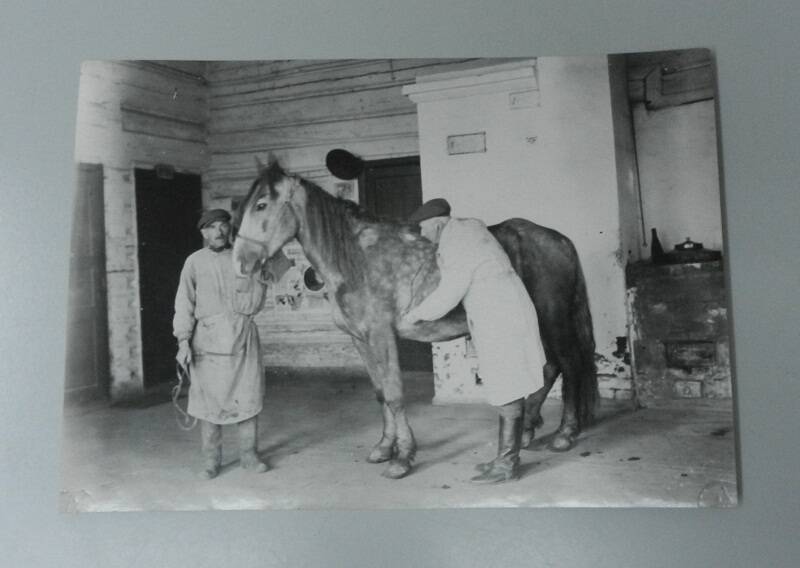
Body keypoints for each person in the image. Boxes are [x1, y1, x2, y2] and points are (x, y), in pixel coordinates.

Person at [402, 199, 545, 483]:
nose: (423, 235)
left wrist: (414, 316)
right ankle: (506, 458)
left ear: (438, 223)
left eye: (424, 229)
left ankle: (507, 465)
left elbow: (449, 293)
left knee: (508, 387)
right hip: (500, 311)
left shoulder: (459, 242)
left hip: (501, 315)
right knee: (508, 385)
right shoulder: (466, 230)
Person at [173, 208, 269, 479]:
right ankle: (211, 462)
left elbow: (267, 282)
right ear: (203, 232)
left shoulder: (246, 257)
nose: (219, 232)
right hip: (207, 342)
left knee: (247, 400)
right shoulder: (194, 262)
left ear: (230, 229)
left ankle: (249, 456)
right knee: (209, 405)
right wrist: (182, 341)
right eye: (212, 227)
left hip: (243, 338)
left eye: (223, 226)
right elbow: (184, 302)